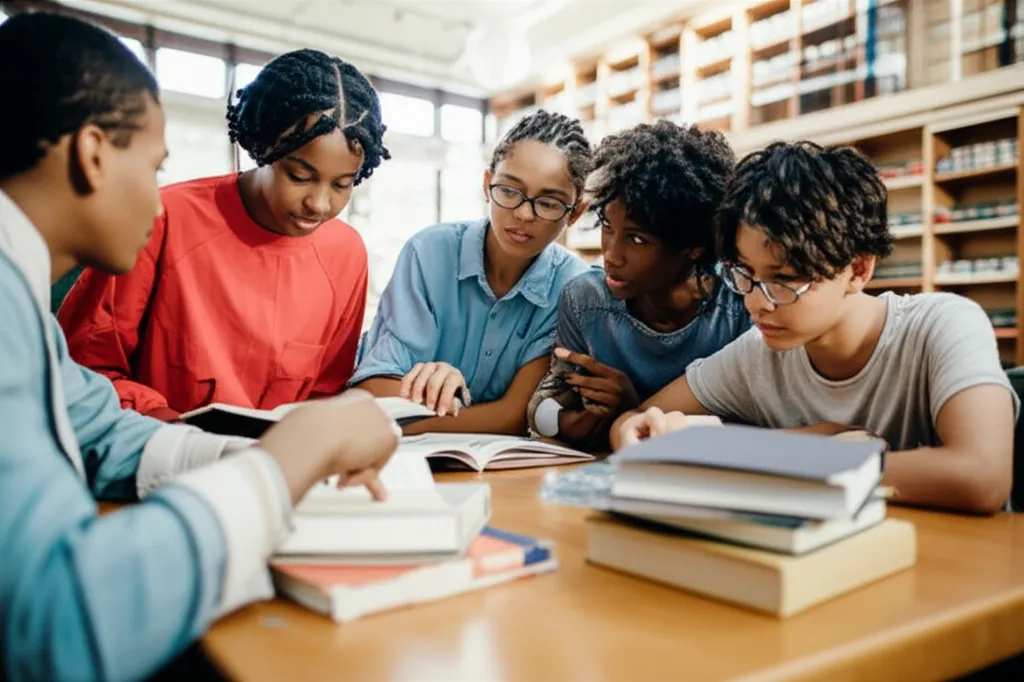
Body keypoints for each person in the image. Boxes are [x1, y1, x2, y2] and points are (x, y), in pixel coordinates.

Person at [0, 13, 398, 681]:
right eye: (154, 167)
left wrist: (275, 457)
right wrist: (283, 463)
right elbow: (55, 628)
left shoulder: (20, 307)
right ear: (93, 154)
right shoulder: (159, 227)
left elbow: (96, 425)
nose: (160, 203)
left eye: (343, 186)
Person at [611, 140, 1018, 515]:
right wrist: (633, 430)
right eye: (745, 273)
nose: (757, 301)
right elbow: (640, 417)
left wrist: (787, 456)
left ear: (858, 269)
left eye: (784, 279)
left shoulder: (943, 325)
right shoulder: (759, 351)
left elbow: (982, 476)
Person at [57, 47, 390, 421]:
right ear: (262, 148)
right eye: (299, 176)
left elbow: (325, 394)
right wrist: (176, 432)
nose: (319, 203)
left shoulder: (345, 254)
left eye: (342, 184)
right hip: (155, 450)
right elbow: (86, 371)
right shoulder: (162, 219)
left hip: (280, 467)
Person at [350, 110, 593, 435]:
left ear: (575, 214)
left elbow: (518, 414)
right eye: (508, 190)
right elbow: (374, 390)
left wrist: (429, 405)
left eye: (548, 203)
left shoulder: (573, 288)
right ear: (486, 183)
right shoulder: (428, 253)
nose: (522, 214)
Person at [526, 120, 749, 448]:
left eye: (637, 239)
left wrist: (634, 409)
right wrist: (570, 422)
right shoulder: (585, 300)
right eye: (607, 226)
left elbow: (760, 422)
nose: (611, 255)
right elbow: (541, 406)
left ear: (695, 247)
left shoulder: (741, 305)